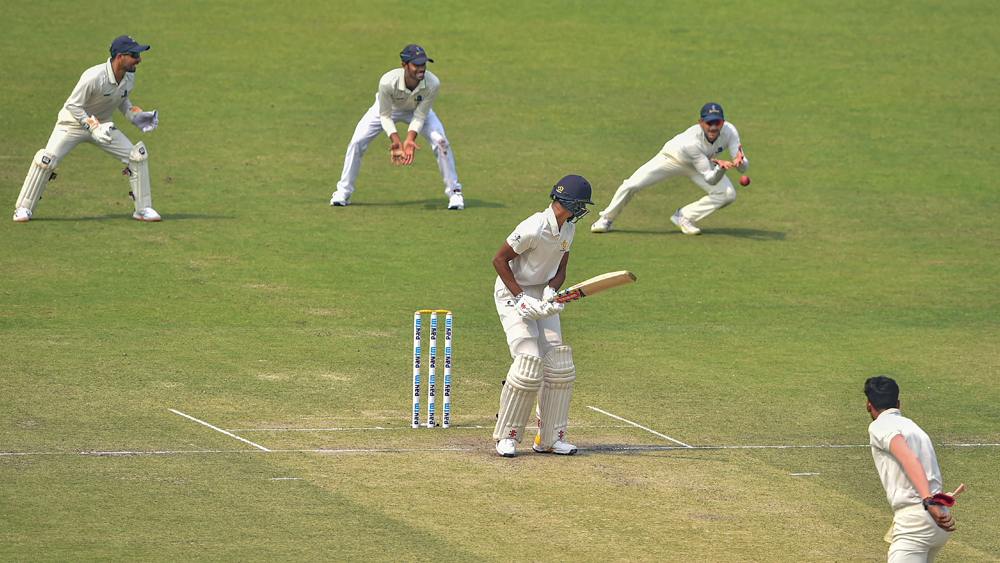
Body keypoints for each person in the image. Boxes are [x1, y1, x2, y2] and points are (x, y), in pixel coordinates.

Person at [490, 174, 594, 458]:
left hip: (540, 291)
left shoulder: (568, 228)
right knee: (528, 362)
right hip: (512, 291)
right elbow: (499, 260)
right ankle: (507, 436)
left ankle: (549, 438)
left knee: (558, 364)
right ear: (570, 203)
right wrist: (520, 297)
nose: (582, 210)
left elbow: (561, 268)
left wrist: (550, 291)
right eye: (581, 204)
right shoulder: (533, 227)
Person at [13, 35, 161, 223]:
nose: (139, 59)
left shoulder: (129, 77)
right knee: (46, 160)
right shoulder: (94, 76)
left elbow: (122, 100)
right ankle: (23, 208)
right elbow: (73, 105)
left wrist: (136, 116)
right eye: (134, 55)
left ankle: (143, 209)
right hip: (72, 124)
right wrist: (91, 126)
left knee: (137, 156)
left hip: (103, 127)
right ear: (120, 57)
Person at [330, 44, 464, 210]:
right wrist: (395, 140)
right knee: (357, 141)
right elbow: (384, 115)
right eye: (417, 64)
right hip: (388, 109)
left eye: (423, 63)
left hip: (417, 109)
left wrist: (409, 139)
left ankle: (455, 192)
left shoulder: (433, 83)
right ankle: (343, 191)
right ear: (404, 65)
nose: (422, 68)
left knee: (441, 142)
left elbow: (420, 115)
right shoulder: (387, 82)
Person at [590, 103, 748, 235]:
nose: (713, 127)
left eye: (717, 123)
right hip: (672, 158)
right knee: (632, 184)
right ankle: (606, 219)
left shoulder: (730, 131)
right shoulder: (692, 142)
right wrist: (720, 168)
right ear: (701, 123)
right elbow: (710, 178)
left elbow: (741, 169)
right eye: (709, 123)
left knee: (727, 195)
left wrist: (740, 162)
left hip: (700, 164)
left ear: (723, 123)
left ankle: (684, 216)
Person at [864, 376, 960, 562]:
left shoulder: (880, 425)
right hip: (938, 519)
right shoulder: (913, 426)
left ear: (869, 405)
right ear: (898, 404)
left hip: (917, 520)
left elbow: (909, 459)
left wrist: (928, 502)